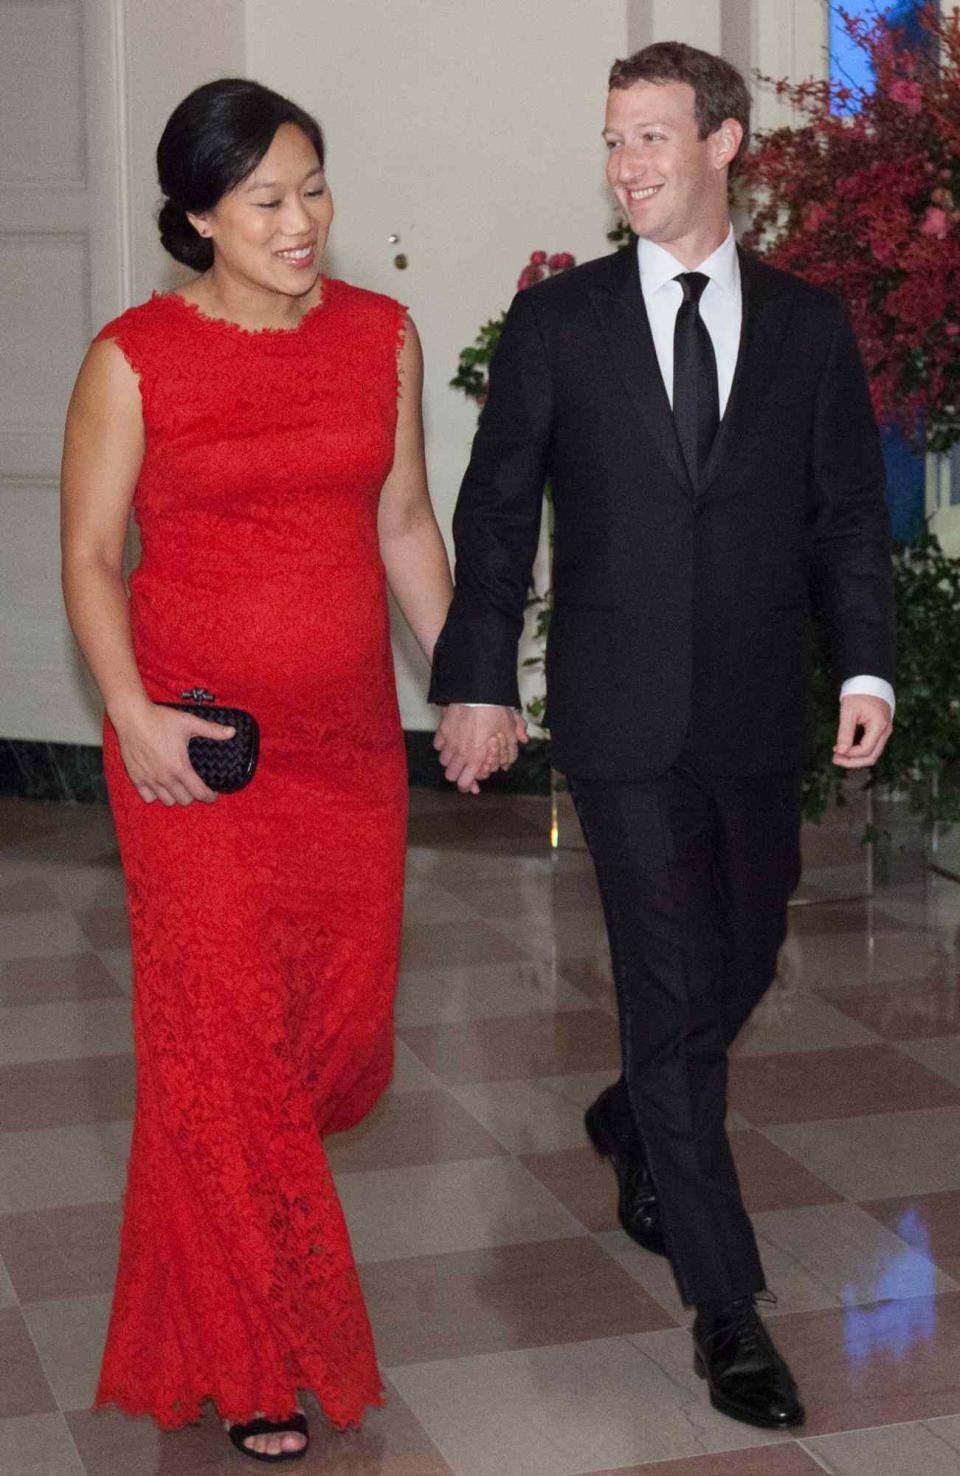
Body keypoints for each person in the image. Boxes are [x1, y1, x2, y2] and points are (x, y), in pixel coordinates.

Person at [430, 41, 895, 1432]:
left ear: (725, 145)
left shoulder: (810, 325)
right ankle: (726, 1305)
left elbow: (846, 517)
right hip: (620, 716)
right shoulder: (558, 325)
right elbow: (499, 513)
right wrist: (475, 680)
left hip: (757, 708)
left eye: (650, 138)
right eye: (613, 140)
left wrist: (864, 667)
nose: (627, 165)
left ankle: (636, 1117)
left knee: (743, 954)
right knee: (668, 984)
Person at [59, 78, 496, 1464]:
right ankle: (264, 1361)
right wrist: (127, 710)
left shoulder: (383, 338)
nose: (300, 222)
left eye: (313, 189)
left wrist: (472, 678)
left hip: (350, 758)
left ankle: (214, 1277)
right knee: (226, 1054)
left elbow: (409, 521)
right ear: (197, 217)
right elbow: (88, 556)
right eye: (264, 200)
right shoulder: (133, 357)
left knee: (337, 1050)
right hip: (198, 766)